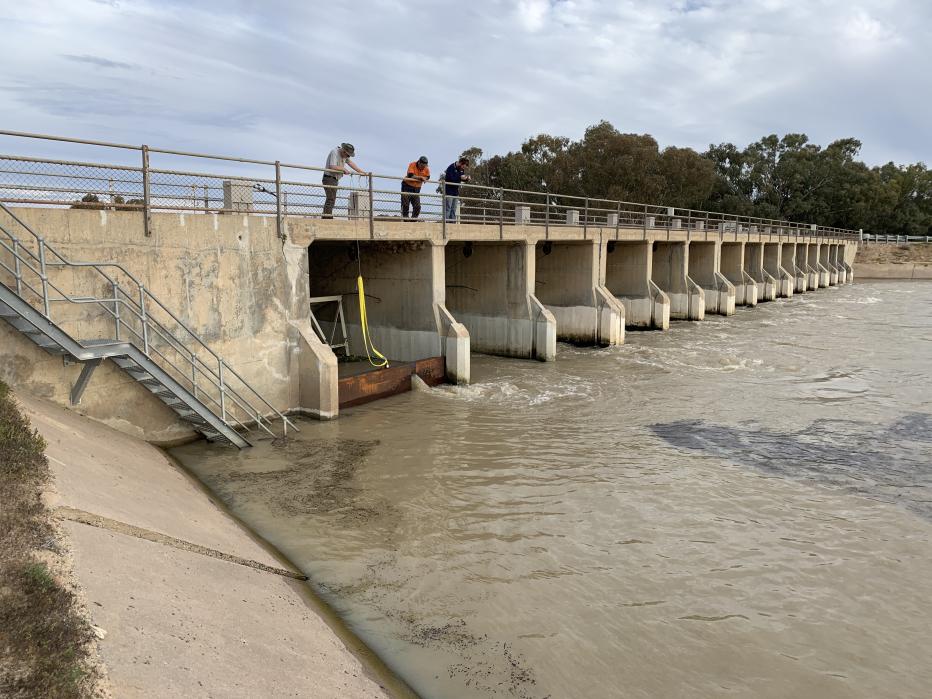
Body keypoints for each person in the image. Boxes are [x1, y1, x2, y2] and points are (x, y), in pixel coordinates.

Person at [322, 143, 366, 218]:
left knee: (332, 198)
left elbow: (350, 163)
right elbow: (332, 166)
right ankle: (326, 217)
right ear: (343, 151)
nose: (348, 157)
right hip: (329, 178)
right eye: (348, 155)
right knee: (331, 198)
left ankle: (327, 216)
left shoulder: (344, 155)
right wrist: (343, 169)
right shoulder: (334, 152)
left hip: (335, 179)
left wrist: (360, 172)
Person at [401, 156, 430, 220]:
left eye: (424, 166)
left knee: (417, 206)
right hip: (407, 186)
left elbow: (428, 176)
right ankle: (405, 219)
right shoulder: (412, 164)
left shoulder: (426, 168)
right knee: (405, 204)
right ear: (419, 163)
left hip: (417, 188)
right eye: (422, 166)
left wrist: (425, 178)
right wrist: (420, 178)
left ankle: (413, 220)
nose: (423, 168)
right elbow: (410, 175)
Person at [443, 157, 470, 222]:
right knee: (448, 208)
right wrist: (459, 177)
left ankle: (452, 223)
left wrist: (466, 179)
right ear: (461, 163)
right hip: (449, 191)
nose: (463, 169)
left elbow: (461, 178)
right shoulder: (451, 167)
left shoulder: (461, 169)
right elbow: (450, 179)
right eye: (463, 167)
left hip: (456, 192)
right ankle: (446, 223)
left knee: (454, 209)